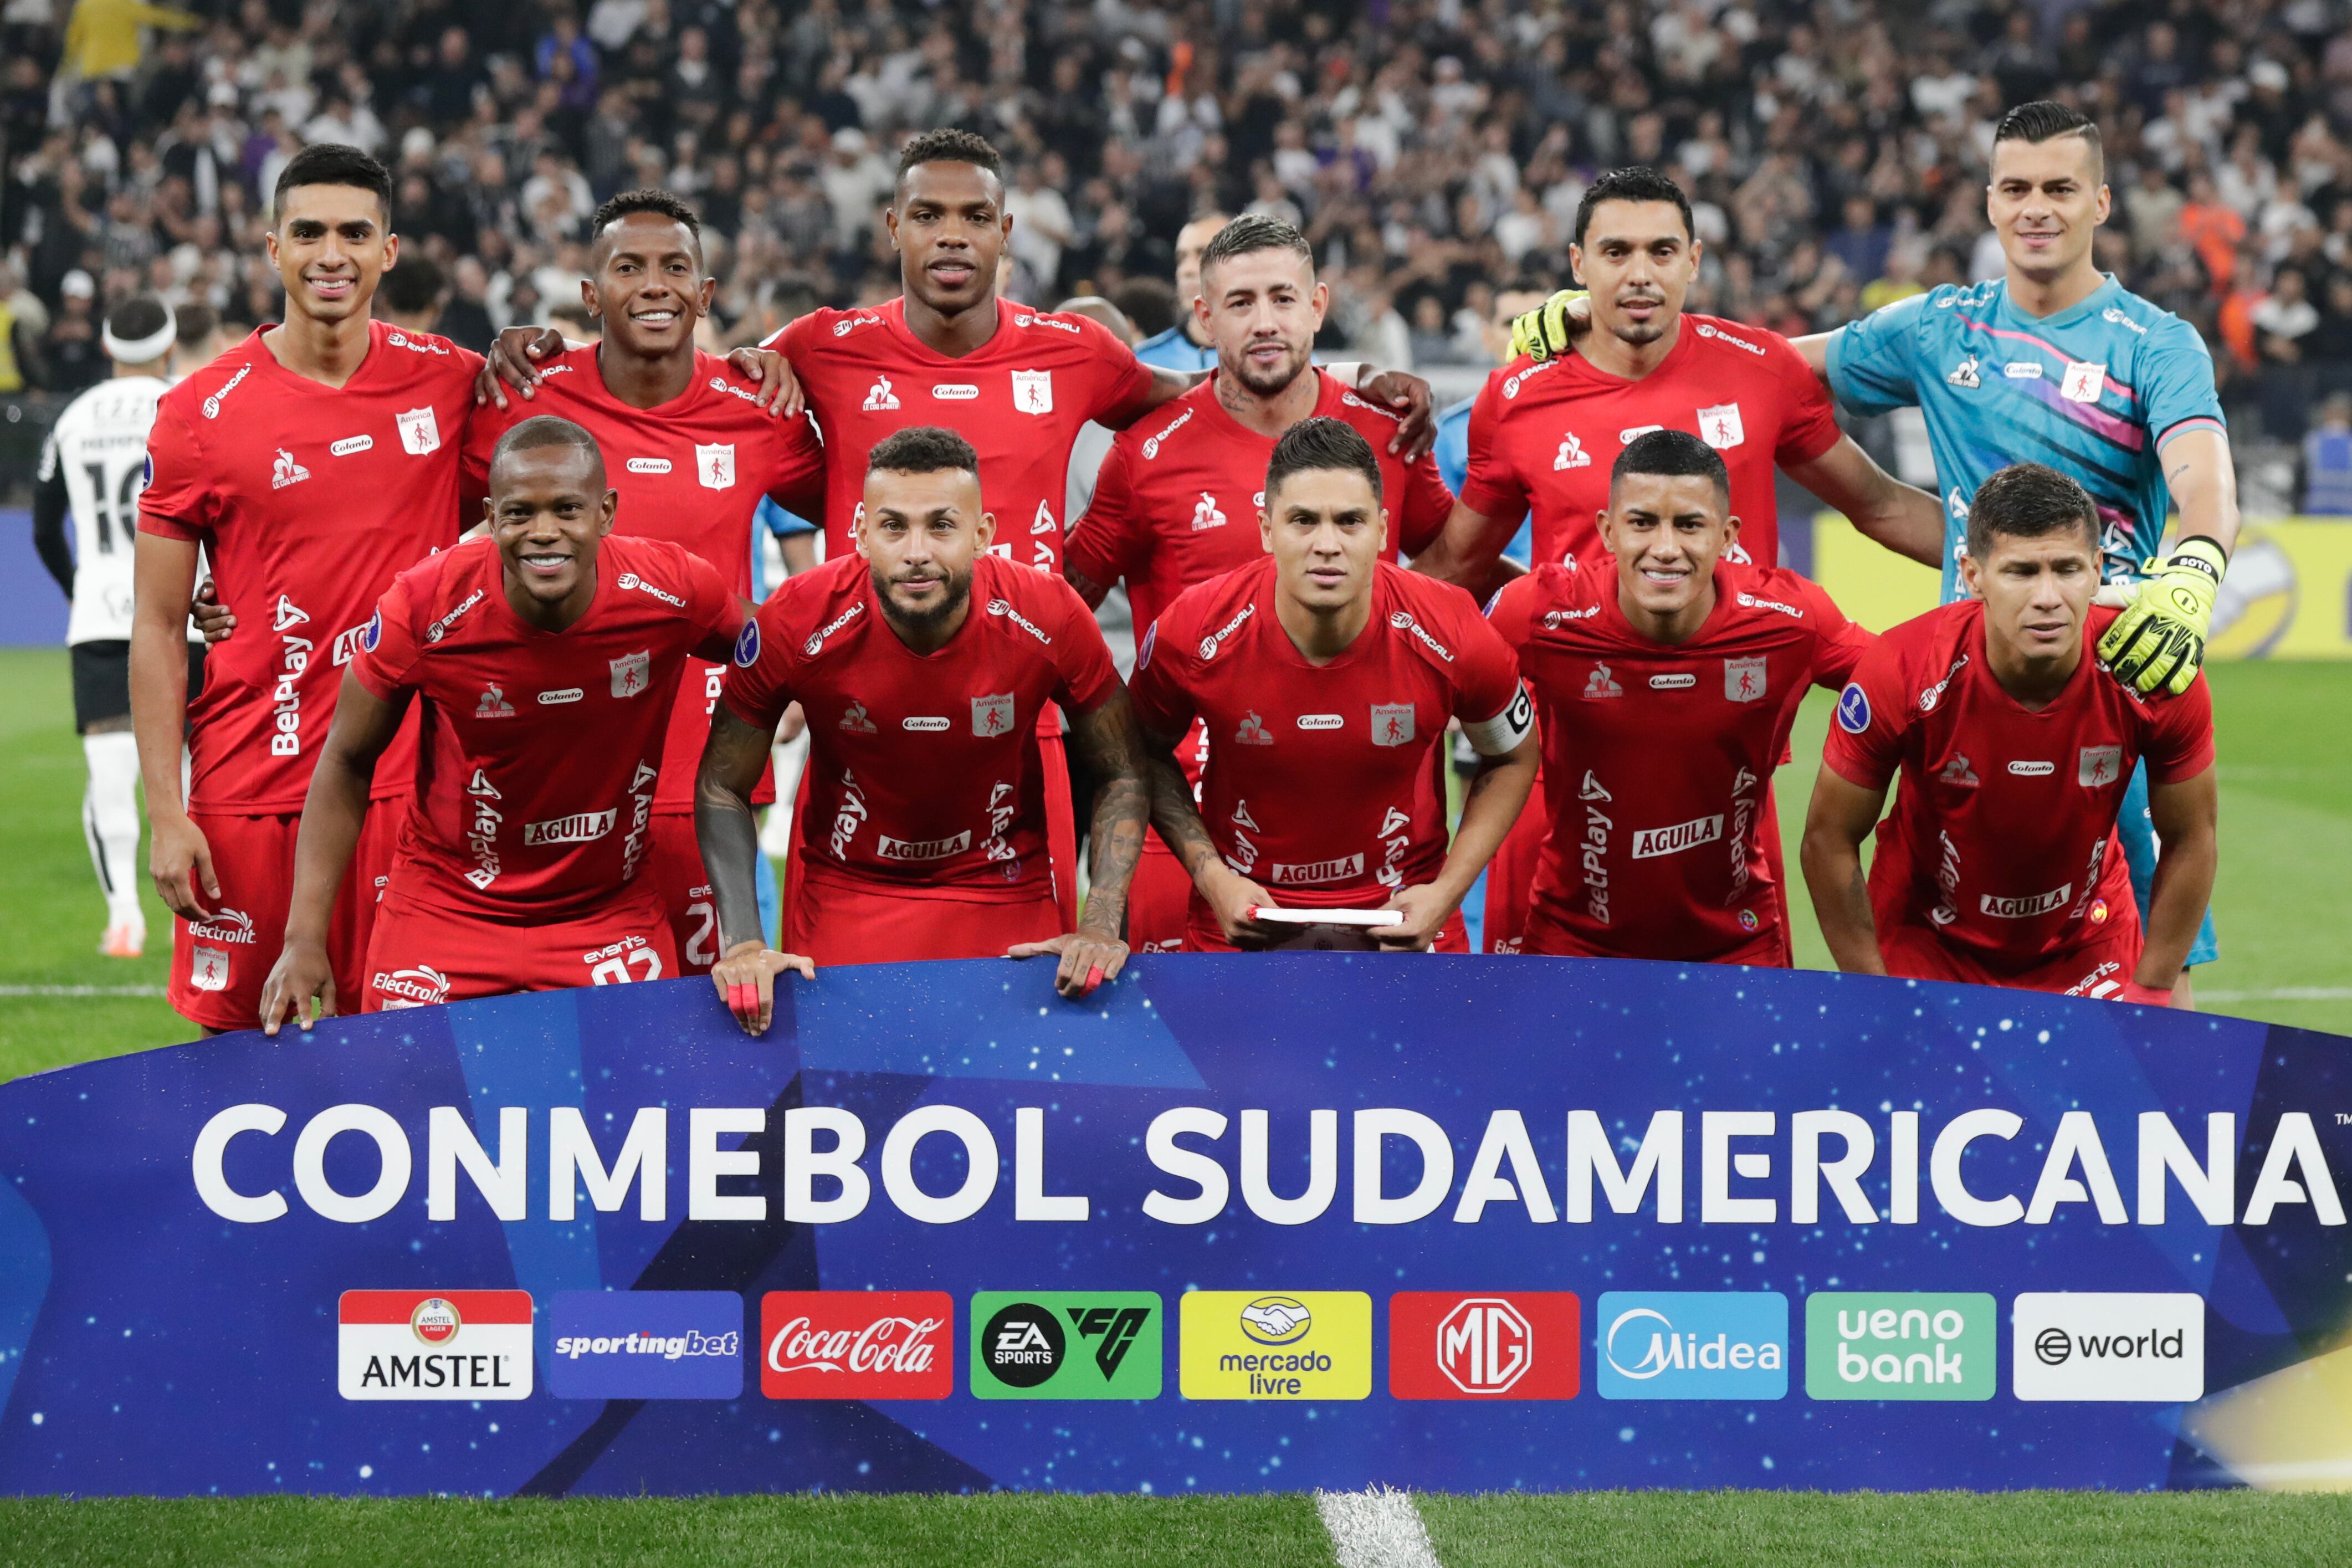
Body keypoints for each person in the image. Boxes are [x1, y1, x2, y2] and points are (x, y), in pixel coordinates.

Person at [1517, 107, 2240, 998]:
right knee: (1943, 948)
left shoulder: (2154, 342)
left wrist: (2193, 566)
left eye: (2058, 189)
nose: (2036, 209)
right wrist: (1605, 324)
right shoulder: (1941, 329)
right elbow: (1759, 366)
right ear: (1988, 203)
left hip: (2115, 680)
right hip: (1968, 697)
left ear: (2099, 200)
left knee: (2147, 973)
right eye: (2016, 188)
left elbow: (2203, 480)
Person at [1415, 166, 1945, 956]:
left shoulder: (1762, 369)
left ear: (1694, 260)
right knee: (1538, 1055)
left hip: (1722, 753)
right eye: (1616, 251)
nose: (1639, 273)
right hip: (1569, 762)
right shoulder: (1519, 395)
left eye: (1662, 251)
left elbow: (1881, 505)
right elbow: (1453, 567)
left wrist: (2020, 569)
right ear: (1576, 264)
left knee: (1730, 1049)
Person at [132, 144, 485, 1034]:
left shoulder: (455, 385)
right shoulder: (199, 414)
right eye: (310, 232)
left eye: (354, 233)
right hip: (253, 780)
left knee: (404, 1054)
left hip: (407, 788)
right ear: (272, 249)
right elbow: (160, 624)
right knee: (238, 1058)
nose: (333, 253)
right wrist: (165, 812)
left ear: (389, 251)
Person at [257, 417, 754, 1027]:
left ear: (607, 512)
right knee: (410, 1111)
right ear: (491, 518)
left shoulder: (670, 589)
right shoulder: (424, 607)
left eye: (568, 509)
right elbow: (346, 760)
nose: (544, 533)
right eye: (520, 514)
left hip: (604, 912)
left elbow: (782, 648)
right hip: (446, 909)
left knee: (634, 1113)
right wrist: (304, 937)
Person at [1063, 215, 1461, 951]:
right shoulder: (1147, 454)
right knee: (1187, 1064)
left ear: (1317, 305)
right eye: (1241, 304)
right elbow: (1058, 605)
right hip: (1192, 839)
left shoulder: (1390, 434)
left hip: (1385, 844)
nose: (1266, 322)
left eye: (1283, 298)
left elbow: (1452, 576)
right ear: (1204, 316)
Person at [462, 188, 826, 976]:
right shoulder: (524, 400)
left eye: (675, 268)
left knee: (720, 1019)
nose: (654, 285)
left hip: (711, 773)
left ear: (706, 294)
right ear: (591, 295)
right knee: (566, 1033)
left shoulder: (758, 407)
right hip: (554, 773)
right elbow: (417, 516)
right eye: (628, 267)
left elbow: (863, 507)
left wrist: (798, 658)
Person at [698, 427, 1148, 1033]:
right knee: (854, 1100)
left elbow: (1122, 767)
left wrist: (1100, 922)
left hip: (1001, 883)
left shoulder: (1050, 613)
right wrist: (744, 942)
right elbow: (721, 783)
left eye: (941, 525)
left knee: (1012, 1100)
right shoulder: (797, 618)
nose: (917, 551)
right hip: (851, 887)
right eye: (893, 527)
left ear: (982, 534)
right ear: (860, 533)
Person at [1801, 463, 2217, 1006]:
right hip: (1927, 939)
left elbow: (2193, 837)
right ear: (1972, 575)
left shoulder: (2150, 668)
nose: (2048, 597)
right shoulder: (1903, 669)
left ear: (2097, 570)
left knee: (2125, 1089)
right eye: (2021, 572)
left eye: (2067, 569)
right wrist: (1874, 990)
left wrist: (2153, 986)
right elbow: (1827, 839)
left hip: (2087, 941)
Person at [1128, 418, 1536, 952]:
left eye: (1349, 521)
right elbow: (1141, 754)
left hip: (1407, 921)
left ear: (1383, 530)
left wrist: (1444, 893)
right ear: (1265, 528)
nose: (1327, 544)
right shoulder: (1196, 628)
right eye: (1303, 520)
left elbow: (1512, 756)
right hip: (1244, 917)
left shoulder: (1449, 627)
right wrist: (1215, 880)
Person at [1486, 430, 1875, 964]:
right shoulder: (1536, 612)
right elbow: (1427, 684)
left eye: (1689, 525)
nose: (1665, 550)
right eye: (1642, 523)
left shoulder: (1792, 621)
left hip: (1736, 941)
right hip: (1574, 940)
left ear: (1726, 536)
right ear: (1607, 530)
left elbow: (1913, 685)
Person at [32, 294, 202, 958]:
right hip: (185, 610)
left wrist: (79, 587)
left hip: (103, 616)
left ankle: (124, 917)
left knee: (109, 770)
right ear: (166, 348)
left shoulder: (73, 419)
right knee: (194, 770)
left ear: (106, 350)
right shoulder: (188, 402)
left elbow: (46, 527)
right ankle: (192, 909)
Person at [1133, 212, 1229, 372]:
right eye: (1182, 258)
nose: (1187, 270)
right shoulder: (1145, 363)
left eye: (1203, 254)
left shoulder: (1269, 357)